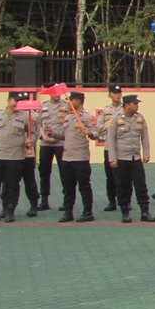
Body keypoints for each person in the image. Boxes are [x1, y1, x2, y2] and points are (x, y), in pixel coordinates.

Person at [0, 91, 35, 223]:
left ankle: (10, 211)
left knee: (12, 184)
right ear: (8, 100)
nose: (17, 103)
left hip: (15, 157)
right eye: (15, 100)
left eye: (20, 101)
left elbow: (33, 133)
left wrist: (30, 141)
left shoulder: (26, 116)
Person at [103, 94, 155, 223]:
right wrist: (112, 159)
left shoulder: (140, 118)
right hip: (121, 158)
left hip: (135, 158)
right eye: (135, 104)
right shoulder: (116, 119)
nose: (137, 106)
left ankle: (145, 212)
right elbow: (111, 140)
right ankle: (125, 212)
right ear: (127, 105)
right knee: (122, 186)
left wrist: (146, 153)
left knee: (141, 185)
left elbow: (145, 136)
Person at [49, 91, 99, 222]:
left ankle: (88, 212)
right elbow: (63, 135)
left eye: (71, 100)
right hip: (67, 157)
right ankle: (68, 212)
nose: (68, 103)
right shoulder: (68, 117)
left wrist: (89, 132)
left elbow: (96, 133)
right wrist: (52, 133)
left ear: (78, 101)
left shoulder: (87, 117)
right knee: (68, 187)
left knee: (84, 186)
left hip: (80, 157)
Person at [33, 86, 65, 215]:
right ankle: (44, 200)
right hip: (45, 143)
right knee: (44, 172)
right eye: (54, 92)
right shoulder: (43, 106)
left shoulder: (66, 105)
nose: (57, 95)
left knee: (65, 171)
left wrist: (57, 136)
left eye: (59, 92)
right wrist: (43, 136)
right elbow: (37, 124)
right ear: (50, 93)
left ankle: (66, 200)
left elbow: (68, 123)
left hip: (61, 143)